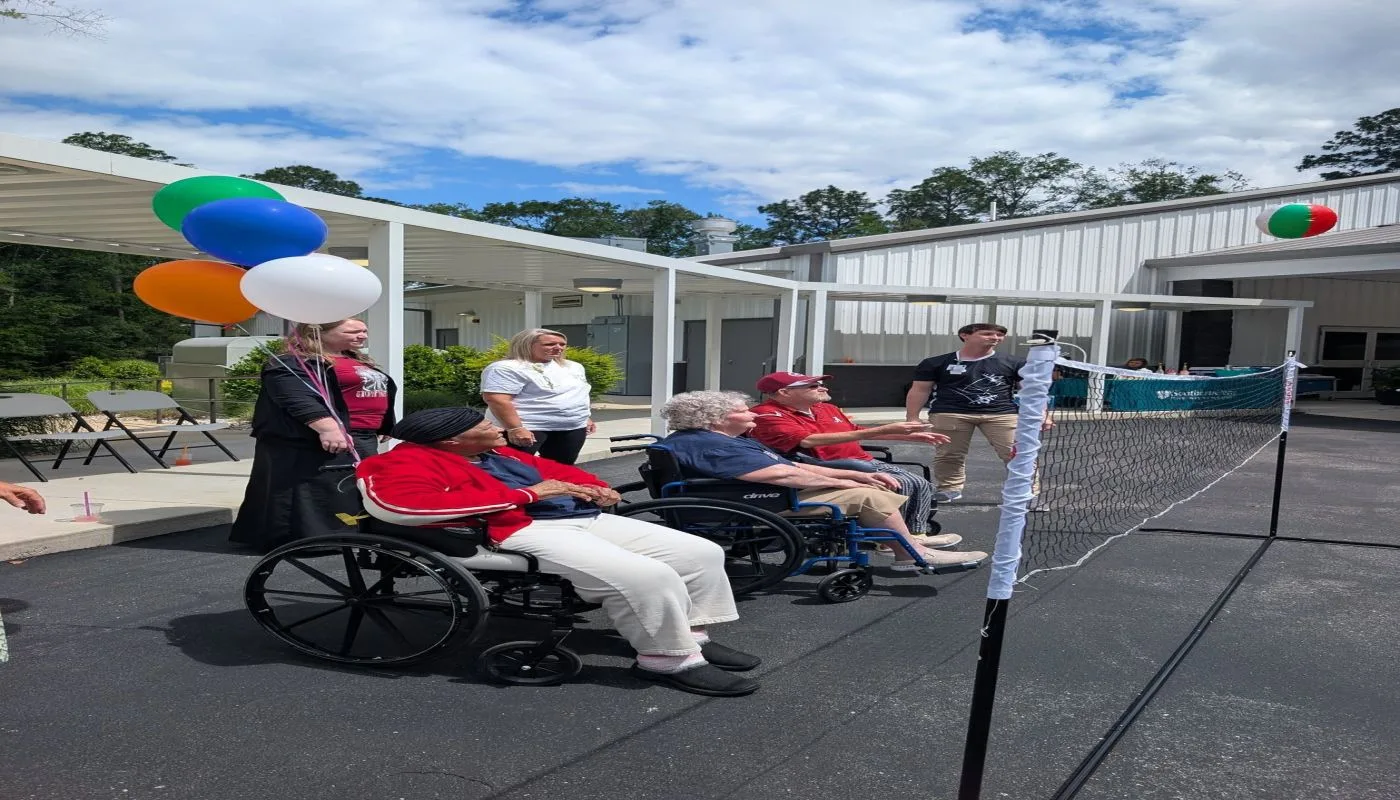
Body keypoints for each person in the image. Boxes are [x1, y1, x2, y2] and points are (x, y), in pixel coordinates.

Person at [356, 407, 760, 697]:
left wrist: (594, 486)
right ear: (451, 440)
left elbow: (556, 472)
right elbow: (399, 507)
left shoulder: (493, 453)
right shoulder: (402, 462)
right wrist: (527, 494)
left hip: (573, 516)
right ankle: (667, 661)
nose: (498, 427)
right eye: (486, 424)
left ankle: (691, 634)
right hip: (511, 529)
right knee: (647, 575)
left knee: (699, 552)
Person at [659, 391, 988, 571]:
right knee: (867, 496)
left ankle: (905, 544)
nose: (754, 413)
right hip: (750, 502)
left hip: (750, 496)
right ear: (716, 418)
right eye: (744, 411)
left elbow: (789, 464)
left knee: (864, 486)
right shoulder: (712, 445)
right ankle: (909, 552)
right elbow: (782, 474)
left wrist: (855, 474)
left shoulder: (719, 439)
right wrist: (850, 484)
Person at [229, 318, 398, 552]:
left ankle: (350, 535)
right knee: (314, 492)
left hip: (361, 436)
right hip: (311, 441)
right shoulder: (291, 363)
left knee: (349, 489)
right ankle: (308, 540)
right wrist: (327, 427)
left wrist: (386, 424)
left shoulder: (354, 359)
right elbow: (295, 397)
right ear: (319, 332)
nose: (362, 335)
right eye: (353, 331)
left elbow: (373, 392)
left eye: (364, 331)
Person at [748, 371, 957, 544]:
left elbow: (855, 431)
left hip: (859, 460)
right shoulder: (767, 414)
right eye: (813, 386)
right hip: (826, 465)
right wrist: (884, 429)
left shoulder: (826, 408)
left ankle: (914, 535)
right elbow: (807, 441)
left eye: (820, 384)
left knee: (919, 483)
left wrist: (908, 436)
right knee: (903, 483)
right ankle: (898, 540)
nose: (823, 388)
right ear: (784, 392)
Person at [904, 323, 1052, 503]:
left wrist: (1043, 414)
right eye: (987, 334)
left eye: (1000, 335)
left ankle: (1029, 494)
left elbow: (1032, 391)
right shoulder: (935, 363)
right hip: (950, 413)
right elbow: (920, 390)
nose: (995, 338)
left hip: (1002, 414)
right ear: (964, 335)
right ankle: (949, 489)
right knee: (949, 454)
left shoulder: (1015, 363)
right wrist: (912, 417)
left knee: (1017, 454)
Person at [481, 328, 595, 465]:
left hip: (572, 426)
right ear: (526, 345)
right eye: (549, 344)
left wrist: (585, 417)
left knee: (561, 468)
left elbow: (578, 393)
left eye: (562, 344)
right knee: (512, 468)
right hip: (528, 427)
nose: (558, 348)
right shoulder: (506, 368)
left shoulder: (573, 367)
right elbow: (497, 400)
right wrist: (515, 428)